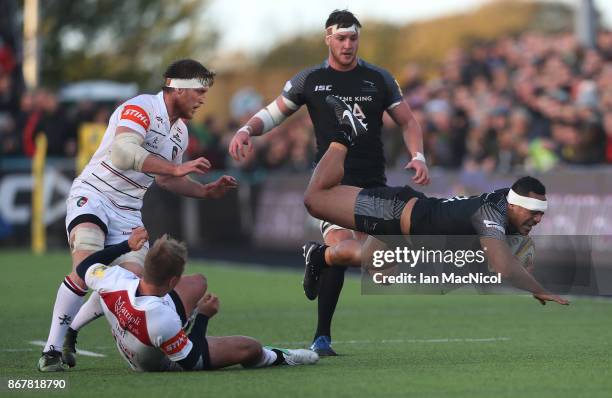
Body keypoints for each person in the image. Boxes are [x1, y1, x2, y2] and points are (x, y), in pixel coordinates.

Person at [228, 9, 429, 355]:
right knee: (347, 244)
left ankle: (319, 256)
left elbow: (409, 122)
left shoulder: (379, 78)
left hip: (372, 185)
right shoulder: (310, 80)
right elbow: (273, 113)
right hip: (331, 187)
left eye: (353, 38)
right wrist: (247, 129)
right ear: (328, 38)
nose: (348, 45)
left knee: (381, 268)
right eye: (341, 38)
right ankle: (322, 336)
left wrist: (418, 155)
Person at [38, 59, 238, 372]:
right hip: (94, 195)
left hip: (129, 212)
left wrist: (204, 191)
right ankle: (51, 351)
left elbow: (166, 179)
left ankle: (72, 330)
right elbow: (122, 153)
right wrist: (174, 167)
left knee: (131, 285)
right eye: (198, 91)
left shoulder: (181, 132)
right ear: (176, 87)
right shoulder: (141, 107)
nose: (202, 99)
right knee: (86, 266)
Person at [302, 95, 569, 306]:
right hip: (392, 212)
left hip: (401, 225)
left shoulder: (504, 205)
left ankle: (320, 255)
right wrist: (537, 288)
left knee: (381, 273)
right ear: (513, 204)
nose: (538, 218)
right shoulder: (492, 212)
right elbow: (503, 265)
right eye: (533, 211)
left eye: (541, 212)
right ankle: (344, 133)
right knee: (315, 200)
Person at [69, 227, 319, 371]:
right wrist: (202, 316)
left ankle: (178, 333)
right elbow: (191, 360)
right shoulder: (162, 318)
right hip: (157, 361)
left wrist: (126, 245)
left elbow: (84, 268)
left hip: (139, 324)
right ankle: (279, 356)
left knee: (199, 281)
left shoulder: (115, 278)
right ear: (172, 282)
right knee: (249, 346)